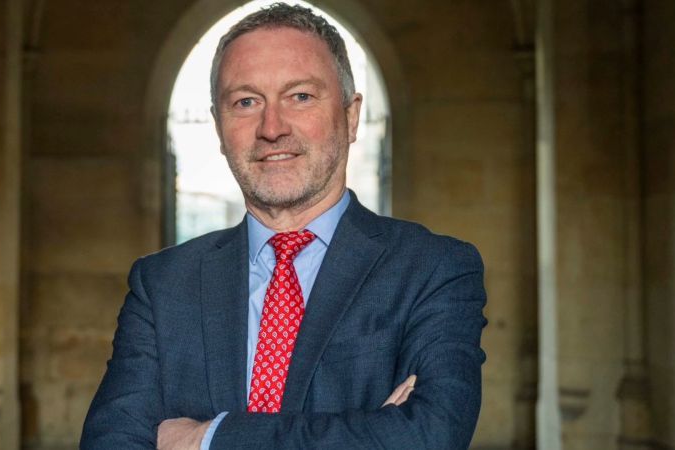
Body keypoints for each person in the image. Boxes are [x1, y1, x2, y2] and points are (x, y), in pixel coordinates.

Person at [80, 3, 486, 449]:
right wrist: (373, 429)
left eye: (301, 96)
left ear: (351, 116)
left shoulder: (433, 269)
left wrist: (208, 437)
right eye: (246, 102)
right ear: (218, 128)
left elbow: (429, 435)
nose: (272, 128)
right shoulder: (161, 285)